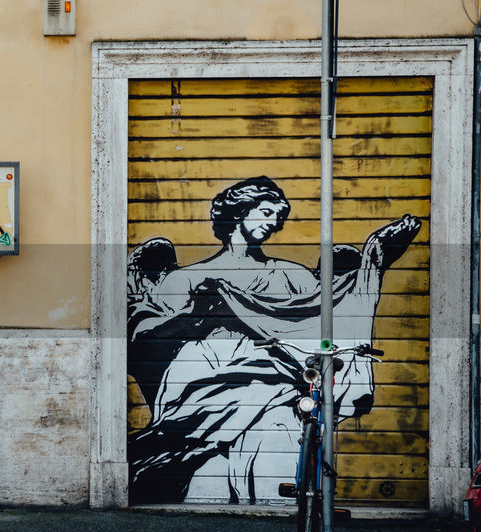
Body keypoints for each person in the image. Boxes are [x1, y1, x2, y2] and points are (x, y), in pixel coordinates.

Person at [126, 175, 420, 504]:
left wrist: (372, 263)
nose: (273, 223)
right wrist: (197, 314)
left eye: (276, 217)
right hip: (204, 389)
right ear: (239, 212)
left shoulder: (292, 276)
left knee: (279, 450)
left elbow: (326, 315)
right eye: (265, 213)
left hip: (278, 390)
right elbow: (149, 345)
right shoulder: (187, 279)